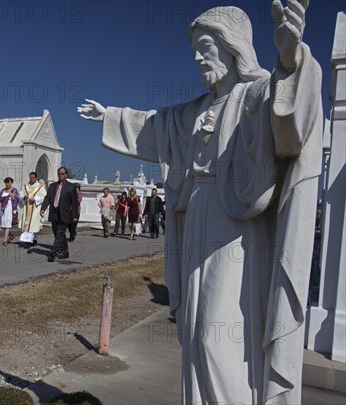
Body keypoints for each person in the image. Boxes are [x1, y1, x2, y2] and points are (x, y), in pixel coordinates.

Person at [77, 2, 322, 403]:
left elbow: (291, 118)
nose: (196, 57)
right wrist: (113, 116)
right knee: (195, 329)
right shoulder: (196, 110)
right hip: (198, 216)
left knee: (218, 332)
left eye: (204, 46)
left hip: (238, 227)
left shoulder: (256, 95)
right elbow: (156, 123)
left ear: (232, 46)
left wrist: (291, 56)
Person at [40, 167, 79, 262]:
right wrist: (43, 208)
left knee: (59, 235)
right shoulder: (52, 186)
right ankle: (65, 252)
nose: (60, 175)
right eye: (59, 174)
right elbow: (48, 198)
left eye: (62, 174)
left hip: (65, 214)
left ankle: (52, 254)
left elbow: (74, 202)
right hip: (54, 213)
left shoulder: (71, 187)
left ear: (66, 175)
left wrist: (75, 216)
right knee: (57, 233)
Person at [18, 172, 46, 249]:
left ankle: (28, 242)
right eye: (30, 177)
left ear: (36, 178)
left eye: (33, 177)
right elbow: (20, 195)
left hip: (35, 209)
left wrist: (35, 199)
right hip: (26, 209)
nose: (31, 179)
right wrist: (24, 196)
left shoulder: (40, 187)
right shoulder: (25, 186)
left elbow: (44, 197)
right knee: (27, 225)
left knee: (32, 225)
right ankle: (33, 240)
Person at [0, 177, 19, 246]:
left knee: (8, 224)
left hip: (10, 208)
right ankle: (11, 235)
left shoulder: (14, 190)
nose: (6, 184)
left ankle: (5, 240)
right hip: (3, 209)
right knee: (3, 224)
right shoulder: (2, 191)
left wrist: (10, 193)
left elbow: (15, 199)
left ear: (11, 183)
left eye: (8, 182)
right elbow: (0, 200)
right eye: (5, 182)